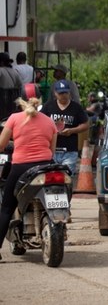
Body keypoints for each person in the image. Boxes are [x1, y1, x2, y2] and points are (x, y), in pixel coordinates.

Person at [0, 97, 57, 261]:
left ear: (20, 100)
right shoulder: (49, 122)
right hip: (46, 167)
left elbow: (1, 145)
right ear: (39, 100)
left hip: (21, 168)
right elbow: (51, 151)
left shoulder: (14, 119)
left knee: (6, 208)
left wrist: (16, 142)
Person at [40, 80, 89, 181]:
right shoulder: (48, 106)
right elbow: (39, 121)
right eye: (60, 93)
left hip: (70, 151)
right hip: (51, 150)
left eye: (65, 92)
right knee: (51, 179)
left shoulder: (76, 107)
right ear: (55, 93)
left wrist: (72, 130)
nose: (63, 95)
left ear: (69, 92)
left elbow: (86, 124)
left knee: (66, 179)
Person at [0, 53, 23, 120]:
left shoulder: (0, 70)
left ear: (1, 62)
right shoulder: (14, 71)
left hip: (2, 100)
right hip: (12, 100)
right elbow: (20, 84)